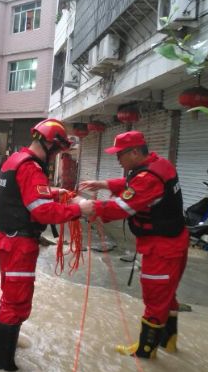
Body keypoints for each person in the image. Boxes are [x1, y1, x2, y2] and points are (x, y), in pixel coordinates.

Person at [0, 118, 94, 372]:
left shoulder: (15, 160)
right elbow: (42, 213)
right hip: (19, 245)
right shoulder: (31, 168)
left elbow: (27, 194)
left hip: (8, 240)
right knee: (15, 303)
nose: (57, 155)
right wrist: (76, 209)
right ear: (50, 143)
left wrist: (53, 192)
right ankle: (6, 368)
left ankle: (8, 350)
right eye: (58, 150)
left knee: (11, 298)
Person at [78, 131, 188, 359]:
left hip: (162, 247)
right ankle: (169, 342)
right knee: (168, 294)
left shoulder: (147, 178)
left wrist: (87, 206)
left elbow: (121, 207)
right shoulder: (160, 164)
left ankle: (145, 352)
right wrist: (103, 183)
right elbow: (132, 184)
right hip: (174, 241)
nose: (117, 159)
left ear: (135, 152)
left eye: (120, 155)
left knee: (155, 297)